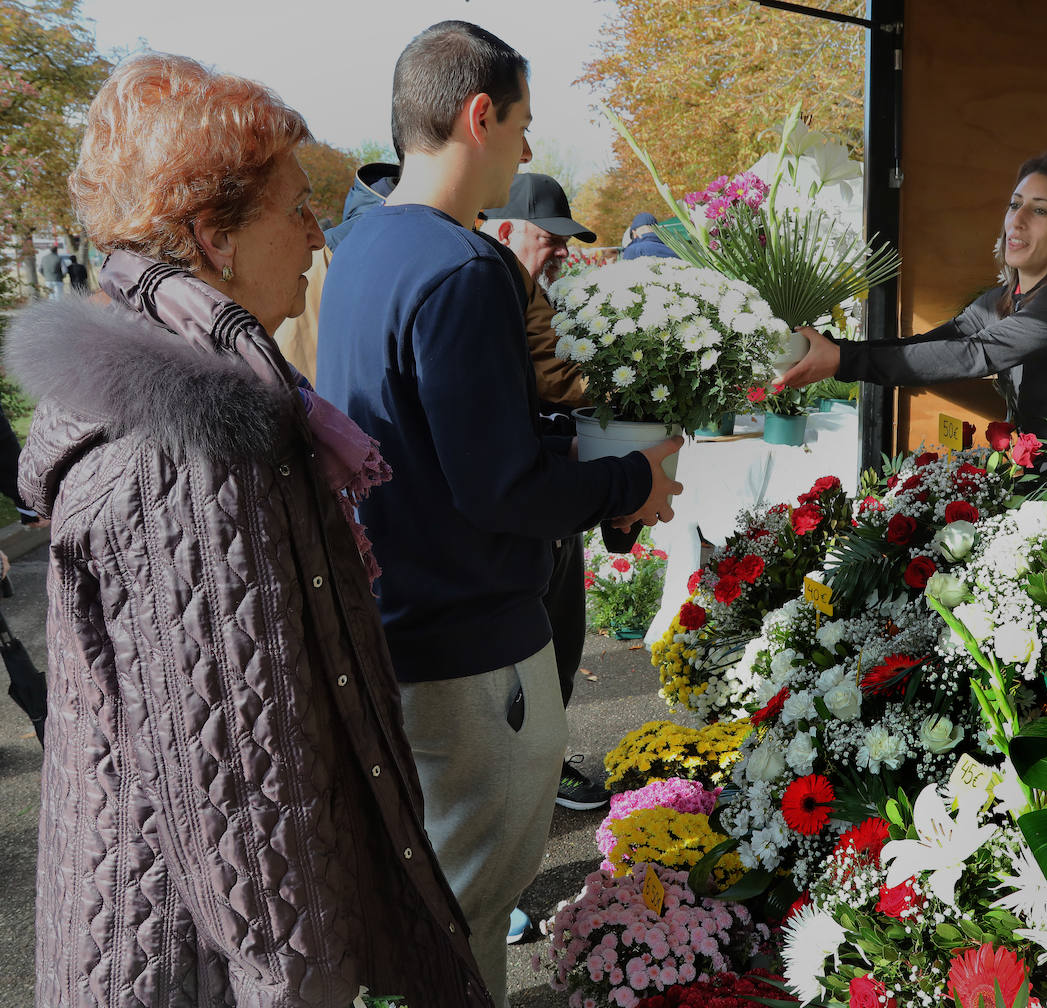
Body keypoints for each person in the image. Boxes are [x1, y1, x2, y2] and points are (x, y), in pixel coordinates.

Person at [5, 53, 491, 1008]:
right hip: (189, 969)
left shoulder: (219, 400)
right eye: (294, 208)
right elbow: (248, 815)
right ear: (208, 235)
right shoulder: (184, 457)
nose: (320, 236)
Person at [314, 23, 682, 1008]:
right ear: (481, 115)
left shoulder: (364, 248)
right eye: (523, 125)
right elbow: (499, 487)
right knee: (463, 918)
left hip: (402, 629)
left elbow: (441, 449)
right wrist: (629, 484)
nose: (527, 151)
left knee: (421, 914)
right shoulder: (465, 268)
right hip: (473, 656)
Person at [782, 148, 1047, 525]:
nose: (1018, 218)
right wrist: (839, 351)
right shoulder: (1002, 301)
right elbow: (934, 345)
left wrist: (842, 361)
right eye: (1015, 204)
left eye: (1041, 210)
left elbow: (973, 356)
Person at [481, 173, 611, 817]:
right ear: (505, 228)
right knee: (534, 646)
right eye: (549, 237)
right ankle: (528, 776)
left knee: (558, 634)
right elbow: (555, 378)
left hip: (548, 486)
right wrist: (627, 384)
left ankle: (539, 763)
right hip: (525, 498)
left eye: (566, 240)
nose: (561, 249)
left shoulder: (524, 283)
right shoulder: (494, 281)